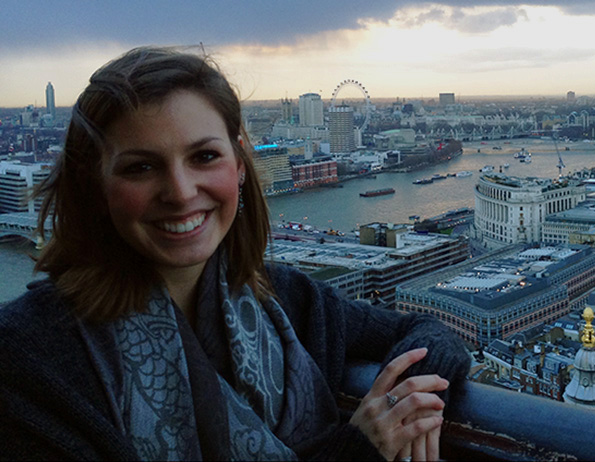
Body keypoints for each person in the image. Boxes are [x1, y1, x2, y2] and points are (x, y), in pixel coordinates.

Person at [0, 47, 470, 461]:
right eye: (141, 167)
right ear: (94, 186)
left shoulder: (284, 297)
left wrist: (402, 408)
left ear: (240, 167)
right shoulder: (29, 359)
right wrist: (359, 449)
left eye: (204, 157)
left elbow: (432, 335)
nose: (182, 193)